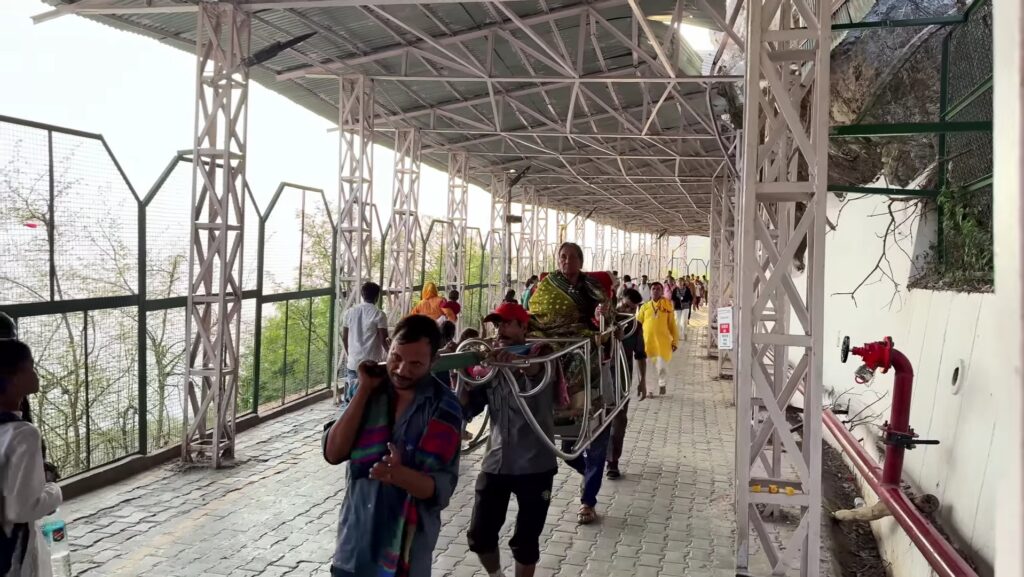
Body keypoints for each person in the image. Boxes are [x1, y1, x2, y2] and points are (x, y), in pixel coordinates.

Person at [323, 315, 463, 577]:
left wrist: (399, 476)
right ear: (388, 345)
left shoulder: (445, 409)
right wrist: (363, 390)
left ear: (434, 362)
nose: (401, 370)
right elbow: (334, 452)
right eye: (396, 358)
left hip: (405, 556)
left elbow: (439, 491)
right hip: (354, 546)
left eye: (416, 364)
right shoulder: (368, 390)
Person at [463, 302, 557, 577]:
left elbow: (538, 374)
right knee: (480, 535)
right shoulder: (490, 364)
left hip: (535, 464)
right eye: (497, 325)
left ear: (523, 327)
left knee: (526, 541)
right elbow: (469, 406)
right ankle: (496, 575)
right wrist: (461, 374)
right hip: (497, 461)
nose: (499, 330)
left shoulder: (540, 357)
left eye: (506, 323)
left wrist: (520, 363)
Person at [527, 242, 614, 424]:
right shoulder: (549, 282)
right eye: (563, 257)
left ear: (580, 262)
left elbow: (606, 311)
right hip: (545, 331)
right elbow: (534, 308)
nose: (567, 261)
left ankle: (569, 405)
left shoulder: (590, 284)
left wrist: (600, 313)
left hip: (577, 333)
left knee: (580, 350)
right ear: (558, 261)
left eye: (572, 257)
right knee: (535, 348)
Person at [1, 338, 63, 577]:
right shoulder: (23, 434)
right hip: (12, 551)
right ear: (14, 378)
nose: (36, 374)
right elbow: (23, 509)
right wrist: (53, 489)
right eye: (31, 367)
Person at [607, 289, 647, 480]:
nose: (626, 310)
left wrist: (642, 382)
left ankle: (612, 462)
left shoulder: (636, 327)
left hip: (622, 380)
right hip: (602, 379)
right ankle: (596, 457)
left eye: (631, 309)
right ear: (618, 302)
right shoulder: (603, 324)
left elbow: (640, 355)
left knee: (619, 420)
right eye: (623, 306)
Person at [342, 282, 389, 404]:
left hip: (353, 363)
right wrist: (393, 356)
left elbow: (344, 337)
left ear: (362, 295)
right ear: (377, 296)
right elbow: (384, 340)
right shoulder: (379, 314)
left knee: (353, 400)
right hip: (371, 365)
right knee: (370, 401)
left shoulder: (349, 312)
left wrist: (350, 355)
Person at [636, 282, 678, 397]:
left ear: (662, 291)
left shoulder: (667, 306)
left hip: (662, 343)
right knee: (648, 368)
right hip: (647, 343)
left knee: (661, 367)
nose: (655, 291)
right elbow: (638, 324)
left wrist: (675, 341)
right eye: (653, 289)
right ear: (650, 291)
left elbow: (672, 326)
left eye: (658, 289)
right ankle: (650, 390)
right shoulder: (644, 307)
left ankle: (662, 382)